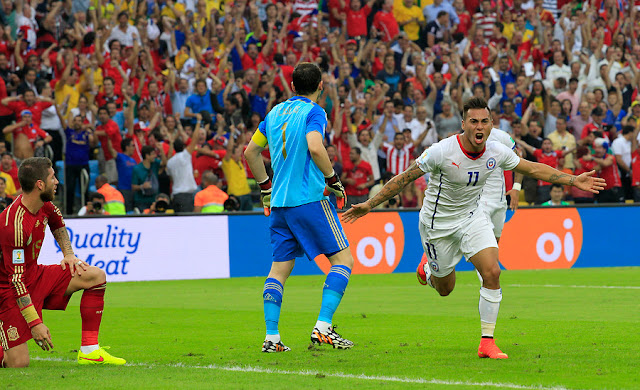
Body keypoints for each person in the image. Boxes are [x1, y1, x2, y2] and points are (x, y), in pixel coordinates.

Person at [342, 97, 605, 360]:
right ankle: (428, 269)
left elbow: (533, 168)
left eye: (484, 121)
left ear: (491, 124)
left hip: (472, 217)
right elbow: (404, 178)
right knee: (446, 289)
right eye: (474, 121)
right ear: (464, 124)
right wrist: (369, 204)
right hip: (438, 226)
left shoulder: (496, 150)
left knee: (492, 271)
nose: (479, 127)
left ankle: (487, 342)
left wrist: (573, 180)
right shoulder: (441, 151)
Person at [244, 63, 355, 353]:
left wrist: (265, 187)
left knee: (279, 270)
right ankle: (323, 327)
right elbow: (316, 147)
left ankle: (272, 337)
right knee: (343, 260)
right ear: (321, 86)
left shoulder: (274, 112)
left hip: (279, 205)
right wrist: (333, 180)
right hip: (309, 200)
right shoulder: (314, 112)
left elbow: (251, 152)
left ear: (292, 86)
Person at [0, 157, 125, 368]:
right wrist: (35, 323)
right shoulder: (15, 225)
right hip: (10, 290)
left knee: (95, 276)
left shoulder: (44, 204)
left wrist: (68, 254)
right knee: (18, 364)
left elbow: (57, 223)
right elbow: (16, 281)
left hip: (35, 276)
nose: (56, 182)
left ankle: (89, 350)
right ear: (40, 184)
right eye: (52, 177)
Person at [166, 132, 198, 213]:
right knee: (187, 221)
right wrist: (198, 122)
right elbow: (194, 140)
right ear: (184, 147)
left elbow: (171, 179)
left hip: (176, 195)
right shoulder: (185, 156)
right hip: (186, 196)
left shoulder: (169, 162)